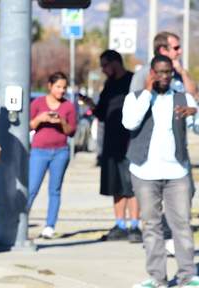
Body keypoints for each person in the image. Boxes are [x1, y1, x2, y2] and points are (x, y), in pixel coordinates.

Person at [123, 55, 199, 288]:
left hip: (177, 173)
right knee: (151, 226)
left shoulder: (182, 98)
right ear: (151, 73)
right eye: (159, 72)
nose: (164, 77)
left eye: (168, 72)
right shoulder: (135, 97)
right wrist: (146, 92)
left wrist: (196, 114)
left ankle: (188, 276)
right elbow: (130, 122)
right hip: (144, 172)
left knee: (181, 224)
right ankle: (157, 278)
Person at [129, 31, 199, 256]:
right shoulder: (143, 75)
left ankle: (178, 254)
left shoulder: (176, 75)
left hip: (177, 156)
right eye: (175, 47)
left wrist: (180, 70)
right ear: (162, 50)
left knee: (184, 204)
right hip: (148, 156)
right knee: (152, 215)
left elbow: (194, 97)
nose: (179, 51)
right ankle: (158, 253)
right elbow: (134, 112)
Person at [80, 50, 141, 243]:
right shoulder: (109, 85)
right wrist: (90, 104)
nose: (104, 70)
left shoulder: (133, 81)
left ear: (116, 63)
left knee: (132, 186)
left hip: (131, 142)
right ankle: (120, 224)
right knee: (116, 185)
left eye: (106, 65)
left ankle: (135, 225)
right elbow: (102, 114)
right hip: (111, 143)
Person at [27, 72, 77, 239]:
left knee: (54, 190)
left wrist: (62, 121)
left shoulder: (68, 106)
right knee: (32, 188)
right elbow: (28, 126)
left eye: (64, 87)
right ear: (49, 86)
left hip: (60, 152)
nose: (61, 90)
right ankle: (20, 222)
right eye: (58, 87)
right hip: (39, 151)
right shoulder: (38, 103)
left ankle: (50, 226)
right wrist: (40, 118)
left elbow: (72, 132)